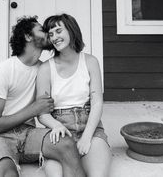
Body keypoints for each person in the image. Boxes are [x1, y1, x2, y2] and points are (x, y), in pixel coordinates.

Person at [0, 16, 86, 177]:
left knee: (66, 143)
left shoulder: (44, 69)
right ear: (28, 36)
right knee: (8, 174)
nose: (49, 34)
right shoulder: (5, 70)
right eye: (42, 30)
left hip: (30, 134)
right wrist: (34, 109)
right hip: (0, 137)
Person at [36, 13, 112, 177]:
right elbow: (42, 113)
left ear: (71, 31)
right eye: (51, 34)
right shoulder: (45, 69)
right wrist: (56, 125)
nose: (54, 37)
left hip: (90, 127)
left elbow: (97, 102)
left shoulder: (90, 62)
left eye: (58, 31)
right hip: (59, 130)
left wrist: (87, 137)